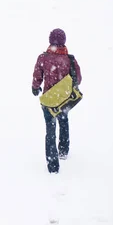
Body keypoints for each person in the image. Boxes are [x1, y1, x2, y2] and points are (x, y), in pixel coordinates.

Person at [32, 28, 82, 174]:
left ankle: (53, 165)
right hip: (64, 99)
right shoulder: (69, 59)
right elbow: (77, 79)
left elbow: (37, 77)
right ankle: (63, 150)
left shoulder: (43, 58)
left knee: (50, 129)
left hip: (49, 101)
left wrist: (35, 87)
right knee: (64, 121)